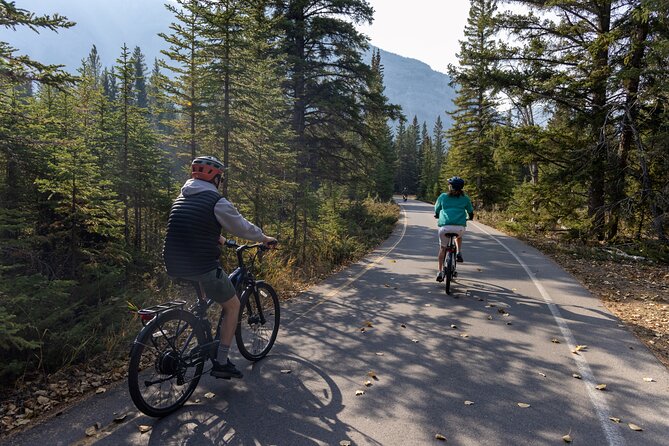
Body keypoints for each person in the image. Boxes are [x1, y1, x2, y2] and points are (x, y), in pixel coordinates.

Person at [163, 156, 277, 379]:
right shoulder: (215, 201)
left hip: (174, 263)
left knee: (204, 299)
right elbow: (242, 227)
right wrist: (264, 238)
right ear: (214, 178)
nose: (220, 182)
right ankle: (222, 362)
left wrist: (222, 240)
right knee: (233, 306)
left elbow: (194, 226)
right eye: (220, 178)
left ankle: (199, 329)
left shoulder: (182, 198)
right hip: (200, 266)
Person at [434, 176, 474, 282]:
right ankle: (458, 252)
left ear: (450, 186)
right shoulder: (465, 198)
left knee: (443, 248)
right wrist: (470, 217)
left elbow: (437, 208)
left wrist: (437, 214)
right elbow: (470, 210)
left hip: (445, 228)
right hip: (459, 228)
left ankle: (440, 271)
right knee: (458, 237)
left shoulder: (443, 196)